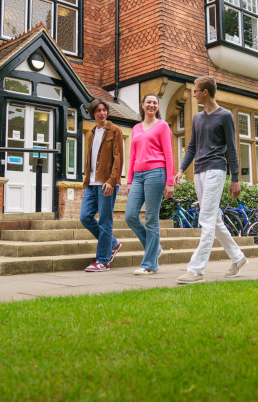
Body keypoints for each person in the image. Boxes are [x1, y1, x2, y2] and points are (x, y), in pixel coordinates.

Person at [174, 76, 248, 284]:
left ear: (205, 92)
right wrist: (181, 169)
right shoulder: (197, 118)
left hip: (216, 169)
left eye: (196, 91)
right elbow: (191, 147)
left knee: (205, 219)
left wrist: (235, 178)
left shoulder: (225, 116)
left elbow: (232, 149)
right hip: (199, 171)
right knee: (214, 220)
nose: (194, 94)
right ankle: (238, 258)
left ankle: (196, 269)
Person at [122, 94, 175, 275]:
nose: (152, 105)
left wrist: (170, 181)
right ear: (142, 105)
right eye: (148, 102)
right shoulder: (136, 128)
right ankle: (155, 249)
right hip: (138, 175)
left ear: (157, 106)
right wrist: (129, 180)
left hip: (156, 173)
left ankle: (149, 265)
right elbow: (132, 156)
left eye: (155, 103)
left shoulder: (163, 126)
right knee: (130, 216)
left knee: (151, 219)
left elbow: (169, 154)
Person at [80, 99, 124, 272]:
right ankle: (112, 243)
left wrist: (112, 181)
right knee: (85, 217)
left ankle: (103, 261)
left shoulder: (115, 131)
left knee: (105, 221)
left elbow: (118, 159)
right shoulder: (92, 133)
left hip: (106, 183)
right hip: (91, 183)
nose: (102, 113)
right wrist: (85, 184)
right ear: (93, 113)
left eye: (104, 110)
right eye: (98, 110)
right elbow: (89, 160)